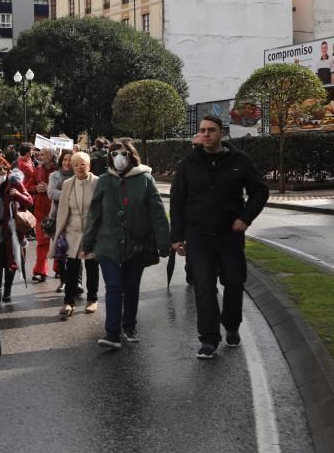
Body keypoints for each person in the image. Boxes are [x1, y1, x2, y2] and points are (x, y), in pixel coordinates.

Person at [170, 115, 269, 359]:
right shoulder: (188, 164)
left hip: (230, 237)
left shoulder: (240, 161)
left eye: (211, 130)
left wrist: (245, 218)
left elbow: (260, 192)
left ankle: (232, 325)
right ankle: (208, 339)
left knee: (234, 284)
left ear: (221, 133)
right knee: (204, 288)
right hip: (199, 237)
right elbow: (177, 201)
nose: (206, 134)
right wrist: (177, 237)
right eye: (202, 130)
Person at [81, 139, 170, 350]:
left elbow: (157, 213)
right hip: (108, 244)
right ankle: (112, 333)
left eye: (122, 153)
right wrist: (88, 243)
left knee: (131, 287)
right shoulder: (103, 181)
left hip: (137, 245)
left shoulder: (145, 179)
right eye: (113, 154)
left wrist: (164, 242)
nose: (118, 158)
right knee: (114, 287)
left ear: (131, 155)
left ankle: (129, 326)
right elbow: (94, 215)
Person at [51, 152, 100, 318]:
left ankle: (92, 299)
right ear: (72, 167)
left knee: (92, 267)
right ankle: (68, 302)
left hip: (92, 232)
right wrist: (59, 230)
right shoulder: (67, 184)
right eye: (76, 165)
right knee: (71, 268)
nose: (79, 167)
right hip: (72, 232)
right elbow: (63, 209)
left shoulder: (98, 182)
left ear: (89, 166)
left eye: (83, 164)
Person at [0, 156, 33, 303]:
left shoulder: (14, 182)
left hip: (11, 230)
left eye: (6, 169)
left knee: (11, 260)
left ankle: (8, 290)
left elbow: (29, 200)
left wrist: (17, 194)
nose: (2, 172)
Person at [47, 150, 74, 293]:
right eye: (64, 160)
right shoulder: (54, 175)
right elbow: (51, 193)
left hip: (74, 219)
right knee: (61, 252)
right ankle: (63, 281)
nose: (67, 163)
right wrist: (69, 194)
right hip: (57, 218)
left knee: (75, 252)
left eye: (70, 160)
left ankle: (77, 282)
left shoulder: (78, 176)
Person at [31, 147, 56, 282]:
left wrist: (50, 189)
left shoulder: (59, 170)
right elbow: (27, 186)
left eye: (42, 154)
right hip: (40, 211)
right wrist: (36, 188)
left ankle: (59, 268)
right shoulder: (37, 170)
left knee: (58, 241)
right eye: (39, 154)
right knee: (42, 242)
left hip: (56, 210)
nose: (39, 157)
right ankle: (40, 270)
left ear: (51, 156)